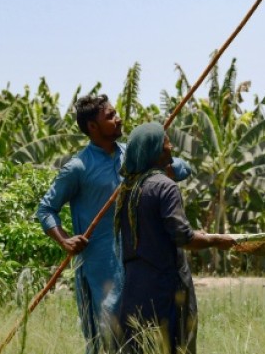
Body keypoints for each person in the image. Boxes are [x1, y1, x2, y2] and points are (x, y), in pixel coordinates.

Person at [35, 94, 194, 354]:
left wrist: (169, 170)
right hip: (101, 266)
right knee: (107, 336)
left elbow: (182, 167)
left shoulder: (133, 157)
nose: (118, 118)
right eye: (110, 116)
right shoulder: (78, 167)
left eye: (116, 113)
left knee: (144, 335)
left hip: (136, 259)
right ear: (92, 127)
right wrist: (64, 240)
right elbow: (46, 209)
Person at [110, 122, 234, 354]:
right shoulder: (165, 186)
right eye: (166, 143)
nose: (171, 146)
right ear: (156, 151)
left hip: (135, 288)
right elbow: (184, 237)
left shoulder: (128, 189)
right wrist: (216, 240)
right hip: (165, 289)